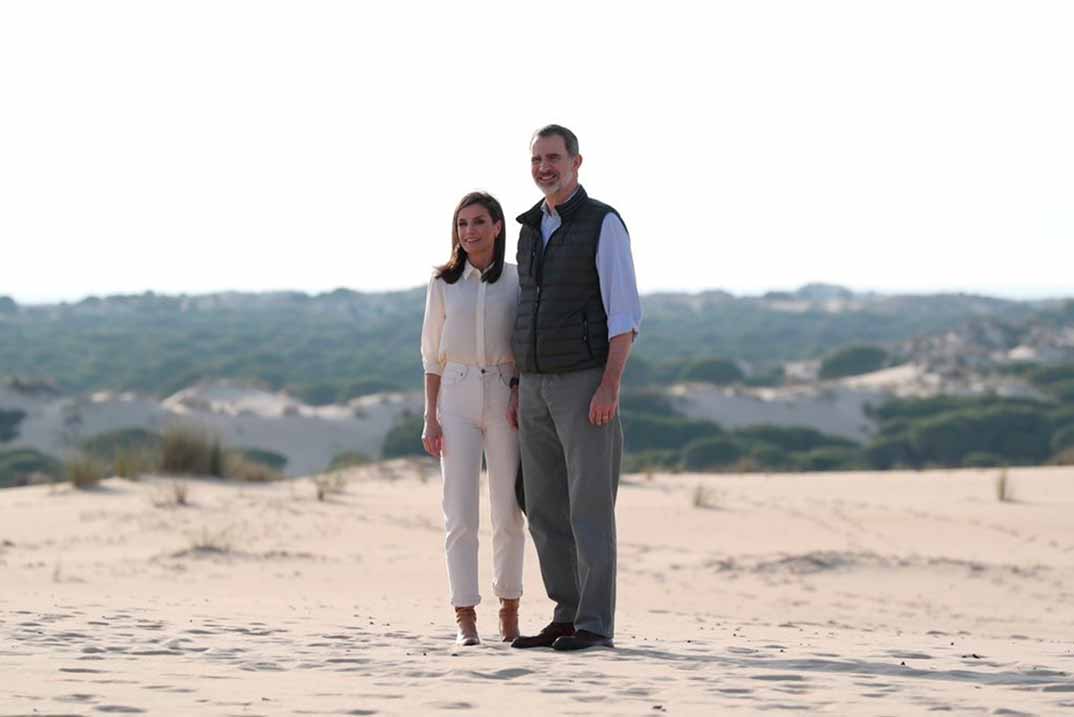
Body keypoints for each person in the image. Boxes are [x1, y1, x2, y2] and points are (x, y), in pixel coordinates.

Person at [508, 125, 642, 651]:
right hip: (535, 385)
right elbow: (524, 309)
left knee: (589, 506)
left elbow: (624, 314)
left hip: (585, 383)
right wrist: (519, 384)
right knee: (542, 506)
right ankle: (565, 613)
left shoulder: (602, 223)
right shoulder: (528, 227)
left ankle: (594, 624)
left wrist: (609, 385)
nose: (545, 167)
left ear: (577, 162)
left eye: (554, 158)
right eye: (537, 159)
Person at [420, 191, 527, 647]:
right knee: (459, 513)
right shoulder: (443, 283)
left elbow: (525, 340)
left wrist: (520, 390)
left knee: (507, 511)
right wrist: (431, 415)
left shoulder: (519, 281)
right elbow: (430, 354)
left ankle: (509, 610)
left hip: (505, 393)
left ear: (498, 226)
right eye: (462, 224)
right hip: (456, 394)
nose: (470, 232)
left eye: (479, 222)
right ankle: (465, 614)